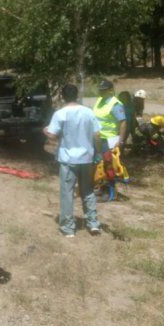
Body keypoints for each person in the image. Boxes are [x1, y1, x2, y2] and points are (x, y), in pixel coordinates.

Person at [45, 84, 102, 237]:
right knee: (88, 190)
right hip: (87, 158)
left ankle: (68, 228)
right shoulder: (88, 112)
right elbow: (97, 135)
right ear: (77, 95)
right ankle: (93, 223)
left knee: (67, 193)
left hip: (68, 159)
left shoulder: (60, 114)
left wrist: (45, 130)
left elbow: (52, 135)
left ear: (62, 97)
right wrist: (98, 153)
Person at [92, 79, 127, 198]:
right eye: (100, 90)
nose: (101, 92)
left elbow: (123, 122)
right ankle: (102, 187)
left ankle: (111, 192)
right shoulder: (99, 101)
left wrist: (120, 140)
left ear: (110, 90)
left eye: (104, 90)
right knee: (99, 164)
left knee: (109, 165)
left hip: (109, 139)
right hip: (98, 138)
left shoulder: (115, 104)